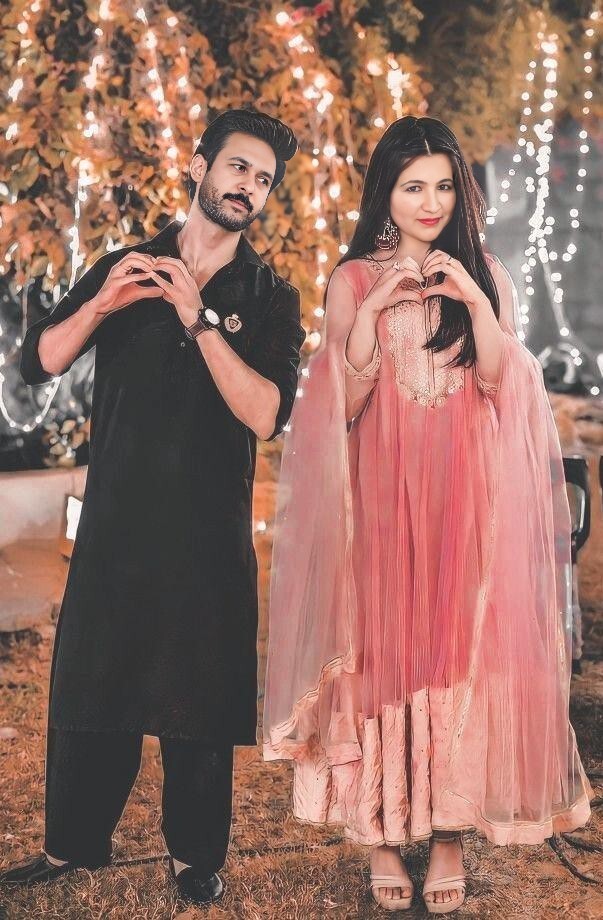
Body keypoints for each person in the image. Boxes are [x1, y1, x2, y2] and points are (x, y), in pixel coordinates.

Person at [262, 115, 592, 914]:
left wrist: (475, 301)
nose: (430, 201)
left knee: (456, 650)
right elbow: (338, 406)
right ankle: (379, 830)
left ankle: (446, 832)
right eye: (413, 186)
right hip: (379, 498)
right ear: (385, 191)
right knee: (380, 653)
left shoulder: (484, 273)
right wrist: (375, 304)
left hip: (463, 496)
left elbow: (502, 386)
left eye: (444, 185)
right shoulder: (350, 279)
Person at [0, 108, 305, 907]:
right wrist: (103, 302)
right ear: (200, 166)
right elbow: (39, 362)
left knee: (198, 696)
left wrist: (198, 321)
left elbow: (266, 414)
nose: (248, 187)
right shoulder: (125, 265)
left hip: (209, 532)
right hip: (115, 522)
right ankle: (70, 846)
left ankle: (195, 857)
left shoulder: (270, 296)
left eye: (263, 179)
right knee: (91, 686)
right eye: (237, 167)